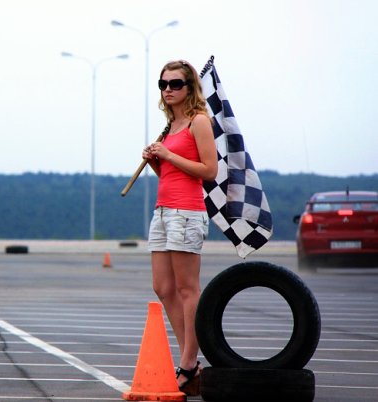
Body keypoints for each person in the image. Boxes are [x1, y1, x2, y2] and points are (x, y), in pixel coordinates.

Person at [142, 60, 218, 396]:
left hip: (186, 212)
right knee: (162, 287)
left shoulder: (199, 121)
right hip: (162, 212)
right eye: (163, 84)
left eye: (175, 84)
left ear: (190, 88)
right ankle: (191, 360)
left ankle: (187, 364)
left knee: (188, 289)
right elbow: (172, 175)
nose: (168, 90)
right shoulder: (170, 126)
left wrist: (169, 156)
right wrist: (156, 162)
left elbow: (209, 171)